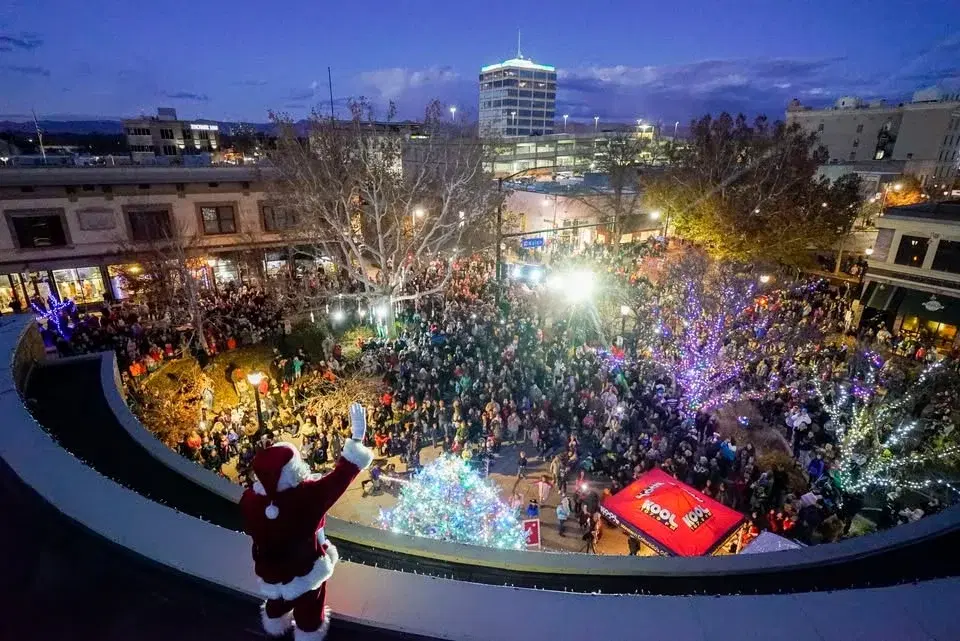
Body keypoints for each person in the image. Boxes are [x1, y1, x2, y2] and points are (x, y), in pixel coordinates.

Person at [239, 402, 374, 640]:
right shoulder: (307, 498)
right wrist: (356, 438)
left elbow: (253, 526)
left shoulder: (250, 501)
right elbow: (342, 475)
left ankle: (274, 624)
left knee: (277, 602)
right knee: (309, 608)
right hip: (305, 571)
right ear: (292, 471)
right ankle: (307, 634)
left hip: (270, 571)